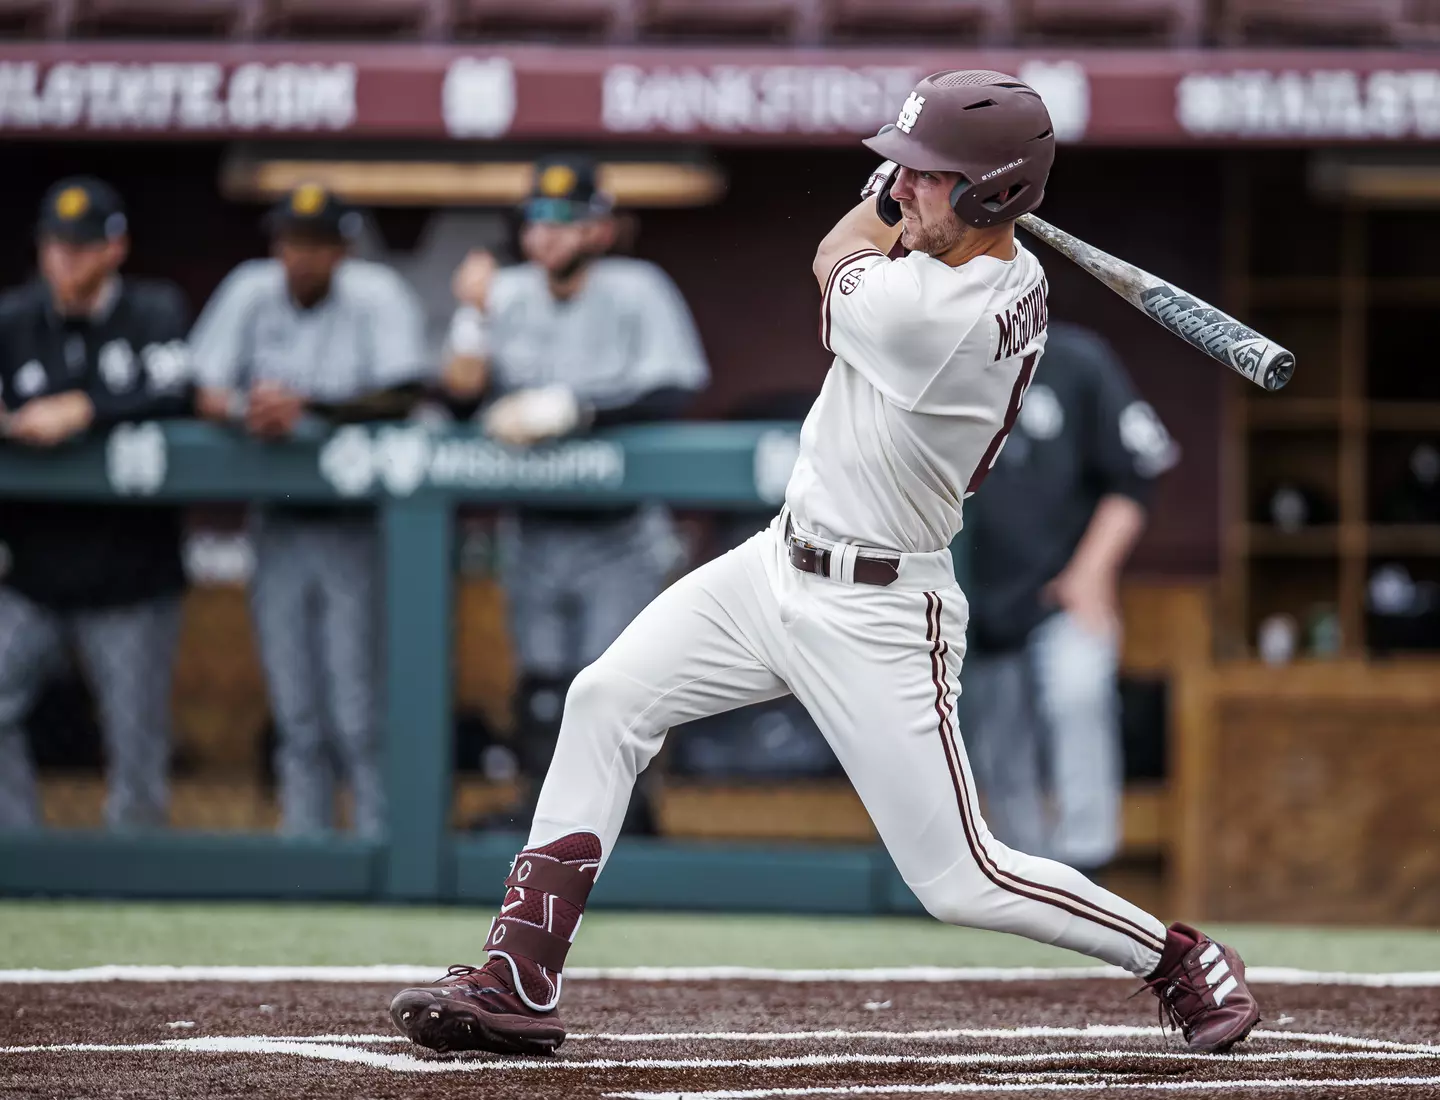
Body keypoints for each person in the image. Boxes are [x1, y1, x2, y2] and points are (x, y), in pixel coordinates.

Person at [388, 71, 1259, 1056]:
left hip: (883, 610)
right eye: (908, 169)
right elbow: (887, 241)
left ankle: (1175, 955)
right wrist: (912, 189)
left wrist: (880, 206)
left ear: (994, 194)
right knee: (604, 699)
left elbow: (833, 253)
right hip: (774, 565)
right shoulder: (971, 260)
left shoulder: (953, 314)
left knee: (957, 877)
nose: (905, 183)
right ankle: (521, 973)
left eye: (930, 174)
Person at [442, 156, 708, 829]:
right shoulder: (505, 294)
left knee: (620, 689)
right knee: (540, 687)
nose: (549, 235)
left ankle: (629, 824)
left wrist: (577, 410)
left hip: (618, 531)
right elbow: (453, 398)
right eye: (537, 221)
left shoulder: (637, 287)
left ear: (599, 229)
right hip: (533, 525)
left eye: (566, 221)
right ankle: (549, 825)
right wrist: (471, 317)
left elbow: (674, 390)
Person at [190, 183, 427, 837]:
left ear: (342, 249)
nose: (304, 256)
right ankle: (307, 850)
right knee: (296, 712)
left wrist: (310, 409)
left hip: (356, 525)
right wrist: (248, 409)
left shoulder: (375, 294)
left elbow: (406, 394)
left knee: (357, 710)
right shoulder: (249, 289)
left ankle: (382, 848)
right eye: (294, 241)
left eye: (319, 244)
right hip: (277, 521)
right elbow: (197, 386)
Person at [0, 176, 195, 829]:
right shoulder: (14, 319)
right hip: (31, 573)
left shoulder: (154, 310)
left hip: (129, 576)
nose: (65, 259)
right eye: (56, 245)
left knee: (136, 744)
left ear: (115, 249)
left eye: (81, 247)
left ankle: (133, 882)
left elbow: (178, 392)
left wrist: (84, 409)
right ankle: (18, 850)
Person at [965, 322, 1179, 871]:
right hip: (970, 597)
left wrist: (1091, 571)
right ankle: (1023, 883)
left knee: (1076, 693)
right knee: (997, 745)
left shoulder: (1076, 360)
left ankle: (1088, 866)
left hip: (1062, 590)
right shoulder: (934, 360)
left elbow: (1136, 476)